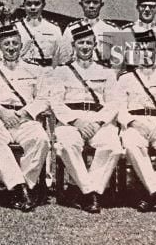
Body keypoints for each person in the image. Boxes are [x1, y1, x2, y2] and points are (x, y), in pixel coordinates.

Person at [47, 24, 122, 213]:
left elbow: (113, 103)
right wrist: (76, 121)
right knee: (66, 143)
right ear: (74, 45)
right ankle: (91, 193)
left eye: (89, 43)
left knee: (112, 146)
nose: (85, 47)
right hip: (71, 120)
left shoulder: (106, 72)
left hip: (98, 120)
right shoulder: (62, 72)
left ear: (95, 44)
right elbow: (56, 103)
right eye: (81, 43)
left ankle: (85, 190)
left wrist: (97, 122)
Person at [0, 24, 50, 212]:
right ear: (0, 47)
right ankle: (21, 189)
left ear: (21, 45)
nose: (11, 47)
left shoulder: (35, 70)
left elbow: (43, 98)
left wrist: (25, 113)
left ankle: (20, 187)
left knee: (41, 140)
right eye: (6, 44)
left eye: (15, 43)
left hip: (25, 118)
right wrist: (1, 112)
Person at [112, 30, 156, 215]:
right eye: (141, 50)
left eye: (150, 50)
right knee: (132, 144)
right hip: (135, 124)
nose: (146, 54)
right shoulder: (125, 79)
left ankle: (150, 193)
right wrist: (134, 123)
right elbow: (118, 108)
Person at [56, 0, 105, 65]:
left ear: (101, 4)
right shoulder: (71, 28)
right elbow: (63, 59)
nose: (91, 6)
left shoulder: (110, 29)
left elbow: (117, 62)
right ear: (81, 4)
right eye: (87, 2)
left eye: (95, 2)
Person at [15, 0, 61, 67]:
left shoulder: (54, 29)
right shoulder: (16, 28)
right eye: (29, 4)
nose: (33, 8)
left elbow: (57, 59)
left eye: (37, 4)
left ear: (43, 5)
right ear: (24, 6)